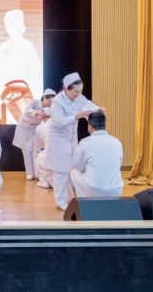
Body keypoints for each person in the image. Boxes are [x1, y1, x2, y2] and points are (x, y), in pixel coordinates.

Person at [47, 72, 104, 210]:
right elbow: (58, 121)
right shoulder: (57, 101)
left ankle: (69, 198)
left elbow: (87, 104)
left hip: (71, 139)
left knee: (70, 170)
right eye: (75, 92)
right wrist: (77, 116)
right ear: (67, 88)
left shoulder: (79, 97)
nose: (78, 94)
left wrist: (98, 109)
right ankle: (60, 201)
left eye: (80, 91)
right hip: (58, 139)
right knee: (60, 172)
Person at [71, 111, 124, 197]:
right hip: (116, 190)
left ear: (89, 126)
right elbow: (119, 163)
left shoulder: (85, 142)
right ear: (105, 125)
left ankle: (85, 202)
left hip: (95, 190)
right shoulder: (117, 142)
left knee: (74, 173)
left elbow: (77, 165)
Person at [12, 89, 56, 180]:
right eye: (49, 102)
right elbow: (27, 110)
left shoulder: (51, 108)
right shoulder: (34, 102)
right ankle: (30, 173)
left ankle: (38, 174)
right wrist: (37, 112)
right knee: (27, 152)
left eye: (52, 102)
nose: (50, 104)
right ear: (44, 98)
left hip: (35, 129)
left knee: (36, 151)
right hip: (24, 129)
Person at [33, 107, 53, 188]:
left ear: (43, 117)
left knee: (38, 153)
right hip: (66, 160)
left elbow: (38, 146)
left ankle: (43, 180)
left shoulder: (40, 127)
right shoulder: (63, 125)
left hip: (49, 160)